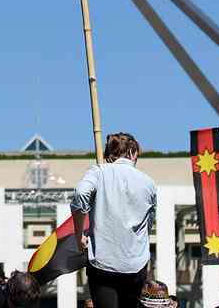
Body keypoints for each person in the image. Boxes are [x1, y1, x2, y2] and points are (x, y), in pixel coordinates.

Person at [71, 132, 158, 308]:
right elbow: (148, 223)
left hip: (103, 262)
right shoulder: (148, 182)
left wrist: (78, 233)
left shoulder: (98, 171)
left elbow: (80, 193)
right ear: (133, 152)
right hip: (135, 264)